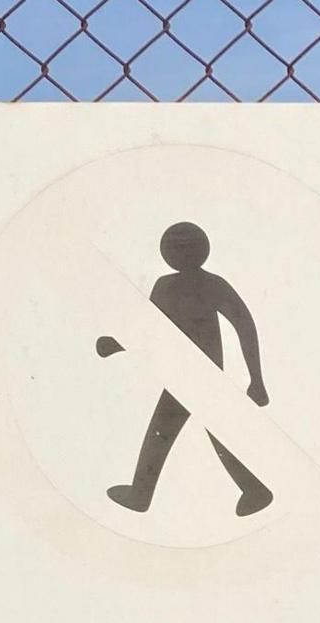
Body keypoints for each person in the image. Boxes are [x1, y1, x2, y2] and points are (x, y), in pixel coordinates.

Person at [99, 221, 274, 516]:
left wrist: (257, 380)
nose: (178, 253)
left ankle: (142, 494)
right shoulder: (169, 285)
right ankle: (253, 489)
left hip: (198, 374)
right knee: (193, 431)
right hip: (182, 373)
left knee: (167, 430)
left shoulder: (207, 285)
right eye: (174, 246)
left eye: (183, 246)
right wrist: (116, 344)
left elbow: (244, 325)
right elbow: (147, 328)